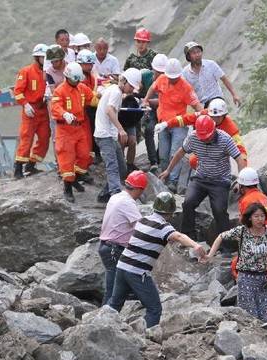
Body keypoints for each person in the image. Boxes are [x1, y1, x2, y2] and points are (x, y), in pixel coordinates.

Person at [109, 192, 205, 328]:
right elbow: (178, 236)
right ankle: (145, 338)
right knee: (154, 309)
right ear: (171, 212)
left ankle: (100, 328)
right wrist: (196, 245)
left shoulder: (143, 220)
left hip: (122, 266)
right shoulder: (163, 227)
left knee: (115, 304)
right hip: (138, 272)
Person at [159, 115, 247, 242]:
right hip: (200, 178)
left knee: (219, 210)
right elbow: (180, 153)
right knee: (188, 203)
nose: (205, 140)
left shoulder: (225, 139)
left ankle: (226, 244)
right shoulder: (194, 137)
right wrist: (168, 170)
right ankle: (188, 237)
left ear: (214, 130)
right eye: (203, 138)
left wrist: (240, 180)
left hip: (220, 181)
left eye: (207, 137)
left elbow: (240, 159)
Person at [205, 203, 267, 323]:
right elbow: (221, 236)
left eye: (262, 216)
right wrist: (210, 255)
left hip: (263, 280)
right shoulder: (242, 231)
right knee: (251, 316)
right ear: (250, 218)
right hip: (246, 279)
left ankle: (266, 340)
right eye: (256, 216)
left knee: (266, 317)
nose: (260, 219)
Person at [144, 58, 203, 192]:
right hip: (163, 123)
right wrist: (146, 100)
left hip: (179, 125)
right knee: (163, 154)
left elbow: (196, 104)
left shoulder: (186, 87)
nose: (171, 80)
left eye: (174, 78)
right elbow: (153, 88)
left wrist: (205, 115)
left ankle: (173, 182)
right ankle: (164, 177)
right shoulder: (162, 79)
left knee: (175, 153)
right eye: (170, 77)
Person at [154, 98, 248, 169]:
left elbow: (241, 151)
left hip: (220, 152)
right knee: (193, 160)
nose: (214, 119)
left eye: (218, 117)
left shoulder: (230, 127)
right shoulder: (205, 114)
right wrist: (167, 123)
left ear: (224, 115)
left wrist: (243, 173)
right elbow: (185, 119)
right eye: (212, 117)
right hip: (205, 147)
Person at [98, 171, 148, 305]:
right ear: (138, 189)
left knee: (119, 289)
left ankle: (109, 316)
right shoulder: (127, 202)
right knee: (113, 291)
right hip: (114, 249)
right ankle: (101, 321)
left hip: (108, 247)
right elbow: (142, 227)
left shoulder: (116, 197)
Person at [94, 68, 142, 203]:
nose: (132, 90)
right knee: (113, 166)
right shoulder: (115, 92)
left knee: (122, 168)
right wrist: (121, 130)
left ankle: (105, 194)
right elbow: (110, 111)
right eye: (131, 86)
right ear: (124, 81)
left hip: (109, 134)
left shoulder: (115, 90)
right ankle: (115, 196)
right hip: (105, 135)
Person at [51, 62, 96, 202]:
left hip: (79, 128)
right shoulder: (60, 90)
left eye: (78, 79)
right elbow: (55, 106)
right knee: (67, 159)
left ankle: (75, 178)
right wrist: (64, 114)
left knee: (84, 155)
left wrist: (103, 96)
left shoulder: (82, 88)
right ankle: (68, 188)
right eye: (75, 79)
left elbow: (92, 99)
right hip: (65, 130)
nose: (77, 82)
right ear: (68, 77)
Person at [13, 43, 51, 179]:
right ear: (37, 57)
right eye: (43, 57)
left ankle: (31, 165)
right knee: (26, 139)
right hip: (30, 111)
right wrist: (25, 104)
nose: (46, 60)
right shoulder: (26, 71)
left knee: (45, 137)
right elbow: (17, 91)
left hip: (43, 110)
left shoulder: (49, 72)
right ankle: (18, 168)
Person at [182, 41, 241, 108]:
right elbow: (187, 93)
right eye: (194, 53)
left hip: (217, 99)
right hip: (201, 106)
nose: (197, 55)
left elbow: (224, 79)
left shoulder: (211, 64)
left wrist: (234, 95)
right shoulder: (185, 73)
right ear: (188, 57)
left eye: (198, 52)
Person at [139, 53, 168, 173]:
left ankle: (159, 157)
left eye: (162, 73)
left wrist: (146, 101)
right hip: (150, 110)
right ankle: (153, 161)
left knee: (164, 133)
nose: (159, 75)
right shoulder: (145, 76)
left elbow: (162, 100)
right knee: (149, 130)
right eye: (157, 72)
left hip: (164, 109)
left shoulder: (169, 80)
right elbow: (137, 88)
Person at [77, 49, 100, 165]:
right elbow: (87, 95)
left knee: (93, 131)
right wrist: (97, 93)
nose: (90, 66)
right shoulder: (79, 78)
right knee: (86, 135)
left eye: (91, 64)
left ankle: (96, 154)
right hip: (83, 110)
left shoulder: (90, 76)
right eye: (87, 64)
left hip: (90, 109)